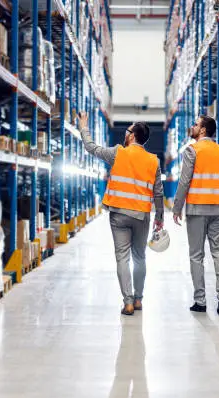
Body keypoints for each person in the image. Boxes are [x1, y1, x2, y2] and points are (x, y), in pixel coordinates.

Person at [79, 112, 164, 315]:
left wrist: (84, 126)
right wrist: (159, 218)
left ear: (132, 135)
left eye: (128, 131)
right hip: (141, 216)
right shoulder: (154, 160)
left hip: (118, 215)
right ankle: (138, 300)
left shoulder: (118, 153)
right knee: (140, 257)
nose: (125, 134)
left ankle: (127, 302)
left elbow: (91, 148)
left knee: (122, 258)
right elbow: (158, 192)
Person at [172, 115, 219, 315]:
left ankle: (200, 301)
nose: (192, 126)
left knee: (196, 255)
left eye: (195, 124)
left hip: (197, 209)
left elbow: (184, 182)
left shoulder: (192, 150)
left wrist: (176, 208)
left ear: (202, 130)